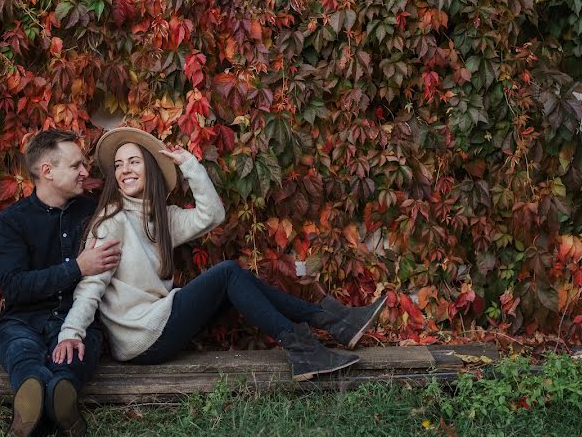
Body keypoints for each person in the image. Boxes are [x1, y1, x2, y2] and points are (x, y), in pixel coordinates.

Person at [51, 126, 385, 383]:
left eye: (134, 161)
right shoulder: (112, 222)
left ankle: (333, 323)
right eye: (119, 165)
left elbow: (211, 216)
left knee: (235, 281)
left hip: (158, 324)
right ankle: (314, 338)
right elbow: (90, 286)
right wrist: (70, 333)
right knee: (227, 273)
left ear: (151, 168)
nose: (125, 169)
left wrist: (189, 165)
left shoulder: (162, 217)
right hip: (141, 337)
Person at [0, 129, 122, 437]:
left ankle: (61, 399)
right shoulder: (12, 222)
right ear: (47, 171)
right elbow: (15, 287)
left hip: (78, 319)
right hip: (23, 320)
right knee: (22, 350)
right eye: (76, 165)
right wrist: (76, 267)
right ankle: (31, 396)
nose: (85, 172)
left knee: (74, 357)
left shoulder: (93, 213)